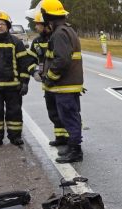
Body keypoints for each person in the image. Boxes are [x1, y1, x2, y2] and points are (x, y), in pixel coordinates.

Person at [40, 0, 85, 163]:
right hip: (68, 85)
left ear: (47, 15)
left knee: (69, 118)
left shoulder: (59, 33)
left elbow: (62, 60)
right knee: (70, 117)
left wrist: (50, 78)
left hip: (64, 85)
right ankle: (73, 148)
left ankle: (75, 151)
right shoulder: (67, 30)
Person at [0, 11, 32, 148]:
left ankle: (15, 137)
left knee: (14, 113)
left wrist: (25, 83)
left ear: (8, 26)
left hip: (13, 86)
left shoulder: (16, 42)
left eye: (3, 24)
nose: (0, 26)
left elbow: (24, 64)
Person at [27, 11, 69, 147]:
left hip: (60, 82)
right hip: (47, 83)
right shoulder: (37, 41)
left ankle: (71, 140)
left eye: (38, 25)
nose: (36, 28)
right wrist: (34, 71)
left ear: (46, 25)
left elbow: (63, 60)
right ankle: (60, 137)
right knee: (53, 112)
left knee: (66, 112)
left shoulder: (58, 37)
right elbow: (29, 59)